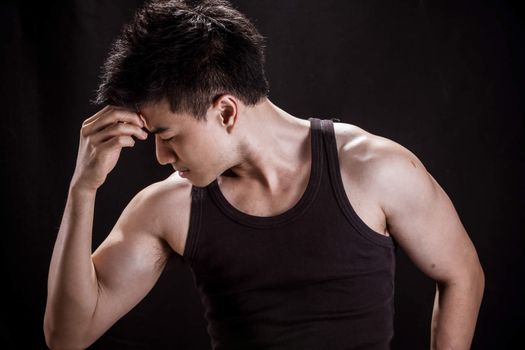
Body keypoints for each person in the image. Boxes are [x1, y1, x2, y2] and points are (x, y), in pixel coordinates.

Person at [43, 0, 484, 349]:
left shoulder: (374, 167)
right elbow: (68, 335)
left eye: (167, 134)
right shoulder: (169, 207)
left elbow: (462, 273)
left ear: (226, 111)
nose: (160, 156)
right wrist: (83, 189)